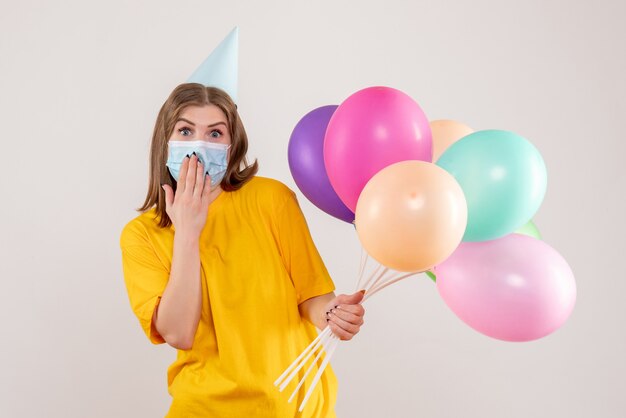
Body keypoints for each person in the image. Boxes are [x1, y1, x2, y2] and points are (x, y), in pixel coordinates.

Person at [120, 83, 366, 417]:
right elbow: (177, 333)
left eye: (215, 133)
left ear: (232, 145)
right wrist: (188, 233)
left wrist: (334, 315)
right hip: (206, 408)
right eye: (186, 130)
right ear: (165, 142)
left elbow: (312, 297)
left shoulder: (271, 200)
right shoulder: (142, 235)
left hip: (296, 407)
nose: (199, 146)